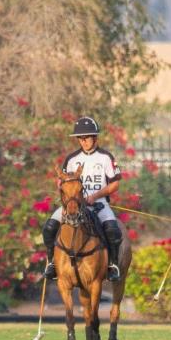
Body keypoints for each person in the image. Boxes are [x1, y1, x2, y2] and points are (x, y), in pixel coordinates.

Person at [41, 117, 123, 282]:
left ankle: (112, 265)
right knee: (49, 228)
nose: (83, 141)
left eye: (87, 137)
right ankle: (51, 263)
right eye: (80, 138)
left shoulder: (105, 157)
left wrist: (95, 196)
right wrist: (66, 193)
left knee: (113, 229)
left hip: (98, 204)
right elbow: (61, 182)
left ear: (95, 137)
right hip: (73, 204)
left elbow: (115, 184)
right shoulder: (71, 159)